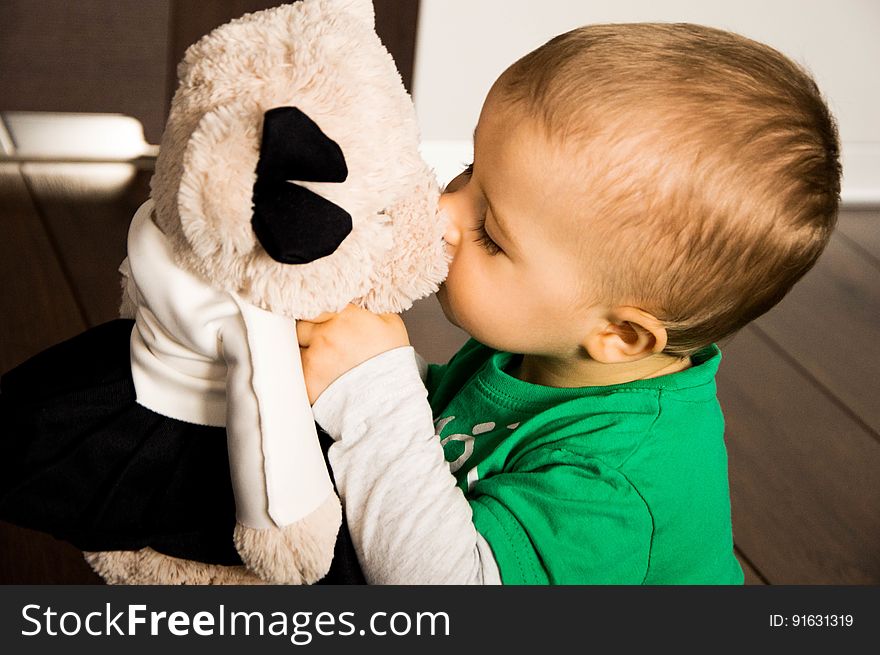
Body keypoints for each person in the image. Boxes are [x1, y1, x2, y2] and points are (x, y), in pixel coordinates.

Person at [296, 23, 841, 584]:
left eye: (490, 234)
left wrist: (375, 396)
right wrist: (363, 365)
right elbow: (448, 434)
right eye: (469, 168)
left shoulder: (616, 481)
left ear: (620, 335)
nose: (442, 211)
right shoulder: (545, 347)